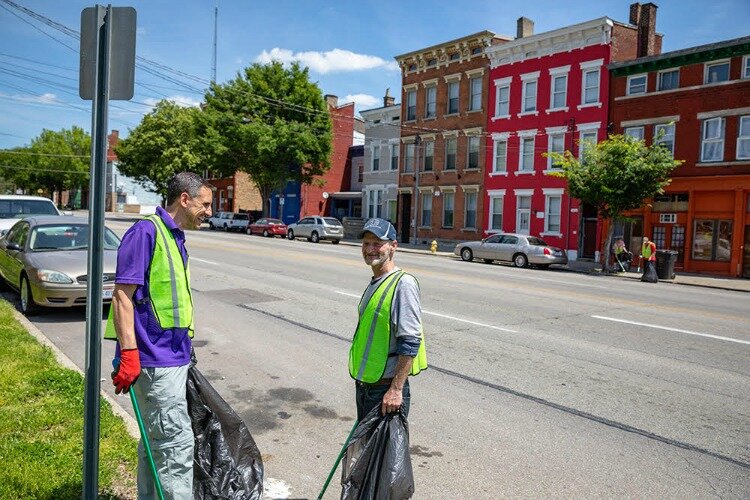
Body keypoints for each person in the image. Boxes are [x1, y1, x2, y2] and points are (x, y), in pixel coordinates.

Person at [106, 171, 213, 499]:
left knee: (156, 445)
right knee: (176, 448)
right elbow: (122, 295)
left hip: (173, 357)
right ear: (185, 199)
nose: (209, 211)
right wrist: (129, 353)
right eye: (205, 204)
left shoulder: (176, 236)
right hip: (155, 361)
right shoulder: (146, 233)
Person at [350, 218, 428, 423]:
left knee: (384, 455)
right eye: (366, 243)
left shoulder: (403, 284)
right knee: (369, 453)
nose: (370, 249)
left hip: (385, 392)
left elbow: (410, 340)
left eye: (377, 243)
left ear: (393, 246)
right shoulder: (376, 281)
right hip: (367, 385)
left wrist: (395, 389)